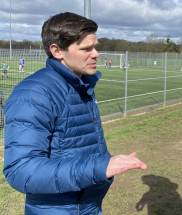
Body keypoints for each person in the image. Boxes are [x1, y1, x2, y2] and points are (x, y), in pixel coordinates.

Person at [3, 12, 147, 214]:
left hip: (87, 206)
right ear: (57, 51)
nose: (96, 53)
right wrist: (97, 168)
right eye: (86, 48)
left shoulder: (82, 84)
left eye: (95, 46)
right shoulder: (34, 94)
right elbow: (21, 170)